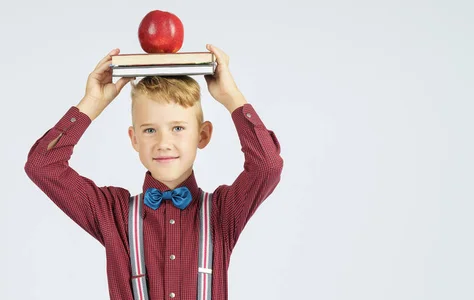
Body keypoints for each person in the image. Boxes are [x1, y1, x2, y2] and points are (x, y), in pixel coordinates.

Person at [24, 44, 284, 300]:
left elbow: (267, 167)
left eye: (178, 128)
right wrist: (91, 103)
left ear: (202, 135)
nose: (163, 142)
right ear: (134, 139)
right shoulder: (112, 214)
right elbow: (42, 165)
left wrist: (233, 98)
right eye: (150, 130)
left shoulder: (221, 213)